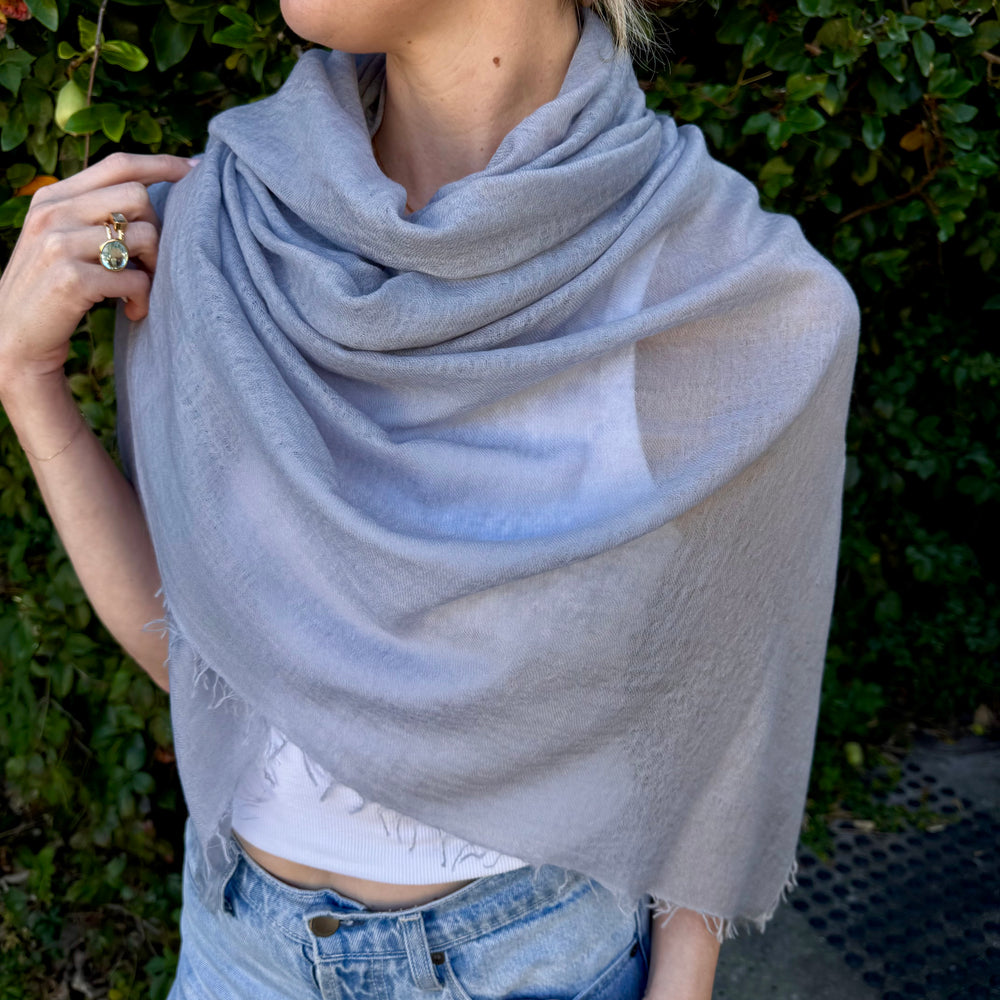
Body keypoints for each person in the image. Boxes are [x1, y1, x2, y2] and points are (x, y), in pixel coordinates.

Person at [0, 0, 859, 997]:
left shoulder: (729, 296)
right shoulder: (224, 226)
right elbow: (203, 657)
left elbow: (711, 732)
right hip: (239, 954)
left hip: (533, 963)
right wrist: (26, 382)